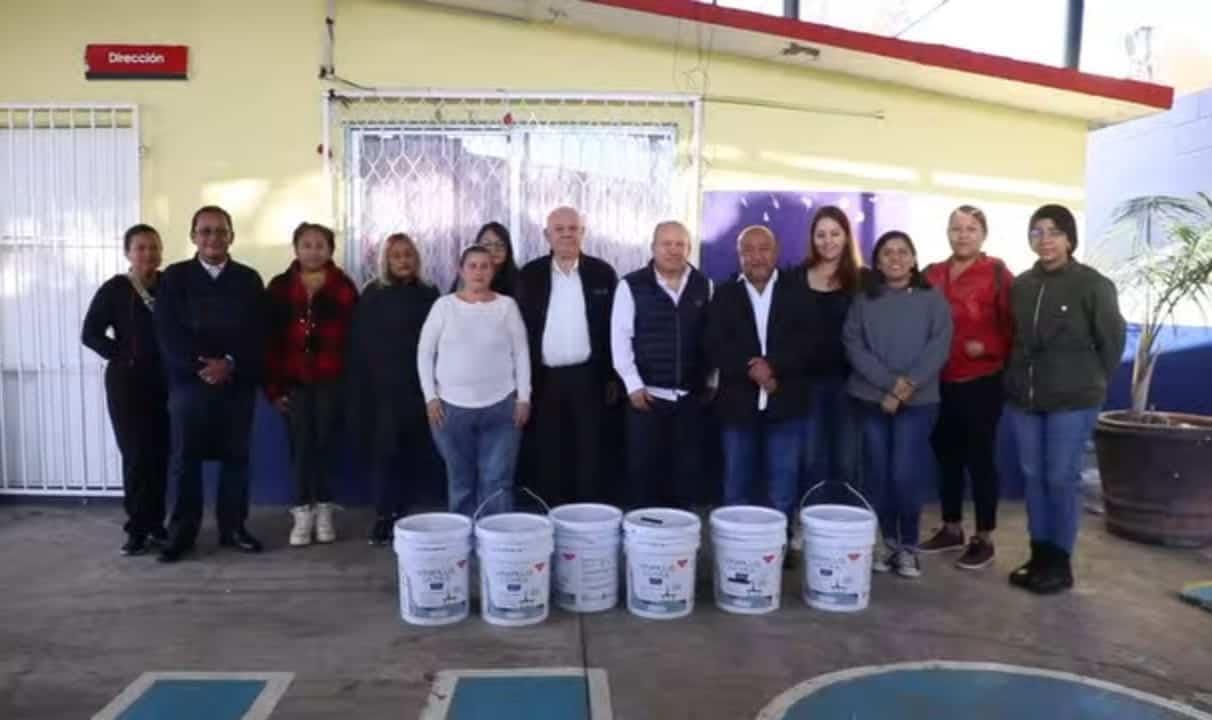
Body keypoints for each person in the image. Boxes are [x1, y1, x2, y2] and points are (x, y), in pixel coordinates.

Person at [1004, 204, 1125, 595]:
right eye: (1037, 231)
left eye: (1053, 231)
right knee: (1035, 478)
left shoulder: (1093, 285)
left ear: (1069, 238)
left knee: (1060, 478)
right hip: (1026, 400)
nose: (1045, 239)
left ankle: (1060, 562)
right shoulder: (1022, 285)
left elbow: (1112, 342)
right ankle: (1039, 554)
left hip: (1072, 402)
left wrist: (1090, 383)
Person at [154, 205, 266, 563]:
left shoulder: (248, 279)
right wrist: (202, 367)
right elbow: (167, 332)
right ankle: (182, 533)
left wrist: (230, 364)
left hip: (235, 384)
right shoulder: (174, 277)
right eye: (205, 231)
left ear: (232, 236)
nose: (213, 238)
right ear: (193, 237)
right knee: (185, 459)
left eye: (221, 231)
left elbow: (257, 333)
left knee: (237, 458)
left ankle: (233, 528)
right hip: (190, 385)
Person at [844, 230, 952, 579]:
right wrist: (891, 386)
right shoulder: (864, 300)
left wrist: (904, 389)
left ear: (914, 259)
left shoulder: (932, 299)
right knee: (877, 472)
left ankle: (908, 546)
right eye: (887, 253)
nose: (895, 258)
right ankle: (884, 543)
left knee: (904, 472)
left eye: (902, 252)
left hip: (919, 404)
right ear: (876, 262)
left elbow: (939, 346)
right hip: (870, 399)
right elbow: (853, 344)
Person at [920, 206, 1015, 570]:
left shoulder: (996, 274)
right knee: (947, 457)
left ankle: (985, 537)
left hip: (982, 382)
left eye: (971, 228)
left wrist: (989, 348)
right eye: (956, 228)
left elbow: (1014, 328)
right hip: (938, 381)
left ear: (983, 234)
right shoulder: (932, 274)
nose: (963, 235)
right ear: (947, 232)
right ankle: (951, 528)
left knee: (980, 459)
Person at [706, 225, 817, 539]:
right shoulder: (724, 294)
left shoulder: (798, 292)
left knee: (782, 488)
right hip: (737, 406)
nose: (756, 257)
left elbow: (809, 344)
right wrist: (751, 368)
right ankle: (735, 550)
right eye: (748, 250)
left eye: (763, 248)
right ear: (739, 256)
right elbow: (714, 344)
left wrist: (773, 367)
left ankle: (775, 553)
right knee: (735, 486)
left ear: (776, 252)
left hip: (787, 403)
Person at [264, 222, 359, 547]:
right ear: (296, 248)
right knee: (300, 446)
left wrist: (349, 386)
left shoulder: (344, 287)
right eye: (307, 244)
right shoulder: (278, 287)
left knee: (326, 445)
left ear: (330, 250)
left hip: (332, 382)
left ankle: (325, 511)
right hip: (294, 382)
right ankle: (302, 511)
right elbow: (270, 342)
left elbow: (354, 342)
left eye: (321, 245)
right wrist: (273, 389)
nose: (313, 251)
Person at [419, 245, 531, 517]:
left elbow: (521, 352)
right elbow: (425, 352)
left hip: (501, 406)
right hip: (450, 409)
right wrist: (430, 397)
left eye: (485, 266)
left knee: (497, 481)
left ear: (493, 271)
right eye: (472, 266)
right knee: (460, 481)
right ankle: (462, 548)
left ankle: (495, 547)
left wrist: (524, 398)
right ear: (461, 270)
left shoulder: (507, 307)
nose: (479, 272)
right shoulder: (443, 307)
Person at [517, 206, 618, 505]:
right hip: (545, 378)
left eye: (573, 228)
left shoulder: (602, 273)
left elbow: (615, 327)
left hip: (589, 377)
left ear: (582, 233)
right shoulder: (530, 275)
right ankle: (552, 515)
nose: (566, 234)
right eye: (559, 229)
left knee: (590, 451)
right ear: (547, 235)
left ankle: (587, 520)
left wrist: (612, 376)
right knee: (550, 452)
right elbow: (518, 329)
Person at [81, 224, 170, 556]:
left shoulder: (170, 285)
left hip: (164, 382)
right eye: (141, 248)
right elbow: (90, 333)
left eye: (154, 247)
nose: (149, 254)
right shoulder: (115, 289)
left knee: (161, 454)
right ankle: (137, 529)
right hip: (127, 384)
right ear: (128, 253)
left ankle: (158, 526)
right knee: (136, 456)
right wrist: (123, 355)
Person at [611, 221, 713, 509]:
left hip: (689, 399)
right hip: (647, 398)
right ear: (653, 247)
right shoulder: (631, 285)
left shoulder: (704, 285)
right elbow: (620, 340)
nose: (673, 250)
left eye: (680, 244)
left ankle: (679, 550)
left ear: (689, 249)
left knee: (686, 478)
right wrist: (633, 385)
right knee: (644, 477)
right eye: (666, 244)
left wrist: (711, 381)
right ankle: (645, 546)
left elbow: (712, 338)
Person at [349, 233, 440, 545]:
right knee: (385, 453)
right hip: (382, 389)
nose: (403, 260)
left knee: (415, 451)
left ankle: (409, 516)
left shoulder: (430, 294)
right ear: (386, 261)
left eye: (408, 255)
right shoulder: (373, 294)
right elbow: (360, 345)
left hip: (420, 388)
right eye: (396, 256)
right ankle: (384, 515)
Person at [792, 205, 865, 504]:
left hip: (851, 384)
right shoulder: (796, 277)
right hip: (807, 385)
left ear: (846, 237)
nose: (828, 240)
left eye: (835, 233)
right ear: (812, 239)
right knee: (811, 460)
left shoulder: (864, 279)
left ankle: (846, 531)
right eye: (820, 234)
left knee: (847, 462)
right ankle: (808, 527)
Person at [449, 222, 519, 297]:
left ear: (508, 250)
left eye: (500, 245)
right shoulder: (466, 274)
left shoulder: (517, 280)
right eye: (487, 244)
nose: (494, 249)